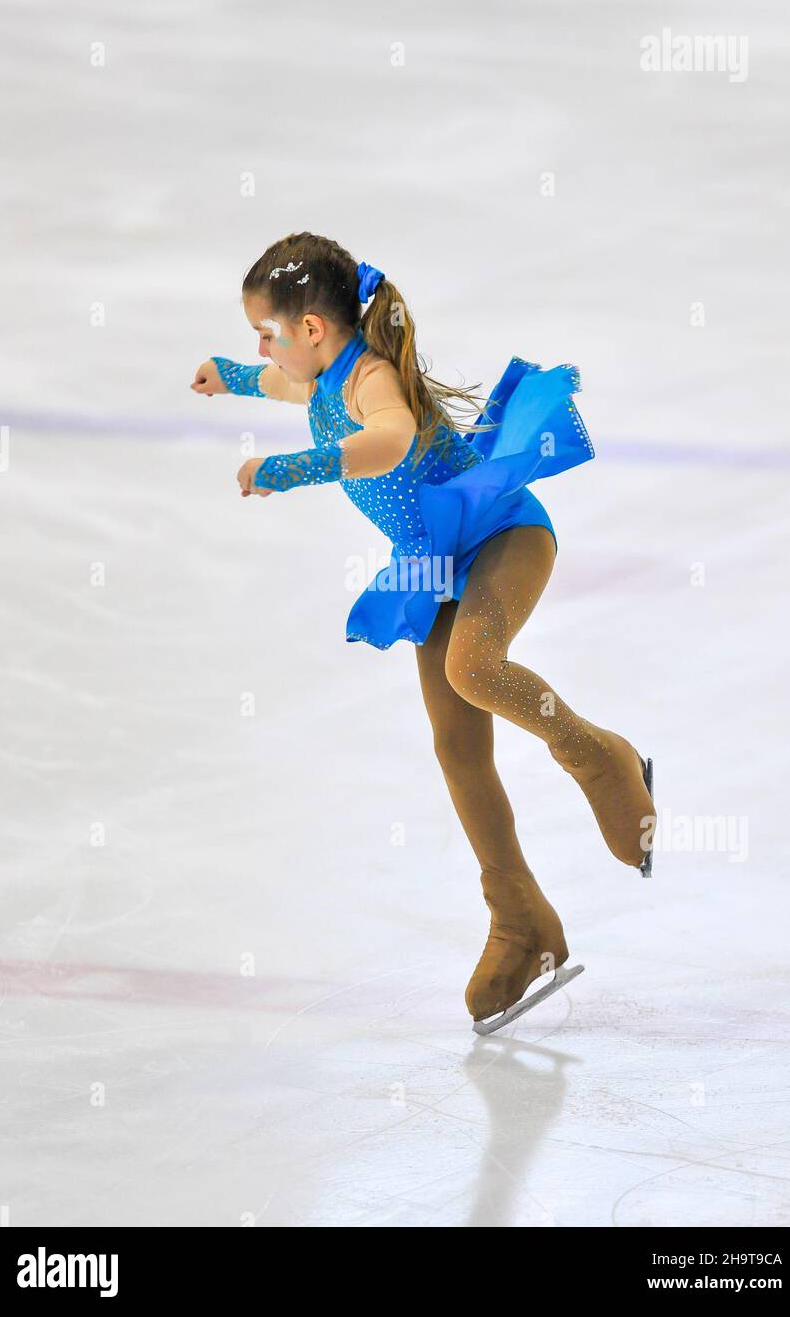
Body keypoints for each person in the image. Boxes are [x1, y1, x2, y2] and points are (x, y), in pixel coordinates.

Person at [191, 231, 656, 1031]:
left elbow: (388, 441)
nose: (261, 345)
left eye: (266, 331)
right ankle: (521, 922)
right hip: (430, 559)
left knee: (473, 668)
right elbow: (279, 383)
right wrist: (231, 378)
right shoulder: (318, 374)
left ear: (312, 330)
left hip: (497, 531)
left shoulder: (369, 378)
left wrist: (286, 469)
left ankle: (597, 755)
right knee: (454, 742)